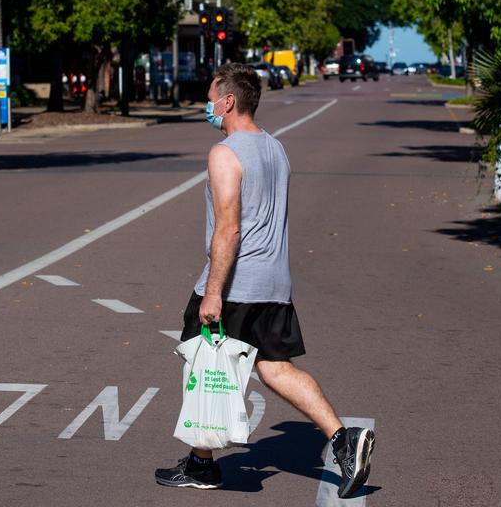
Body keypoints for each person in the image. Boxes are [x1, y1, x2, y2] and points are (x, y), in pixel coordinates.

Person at [155, 63, 375, 499]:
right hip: (274, 282)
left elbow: (229, 228)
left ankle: (202, 464)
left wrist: (213, 292)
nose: (208, 105)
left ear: (228, 101)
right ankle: (342, 439)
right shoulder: (276, 149)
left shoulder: (225, 153)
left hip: (235, 281)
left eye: (211, 97)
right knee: (274, 367)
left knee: (204, 363)